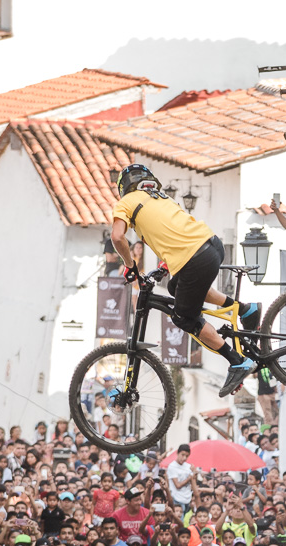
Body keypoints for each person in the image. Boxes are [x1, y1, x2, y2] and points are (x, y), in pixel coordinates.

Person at [110, 163, 259, 397]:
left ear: (123, 187)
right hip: (212, 246)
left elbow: (117, 237)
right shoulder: (162, 199)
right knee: (173, 286)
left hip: (195, 258)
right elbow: (174, 236)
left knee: (183, 316)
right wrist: (163, 268)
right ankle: (245, 310)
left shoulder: (126, 202)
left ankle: (237, 361)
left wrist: (131, 267)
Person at [165, 442, 196, 512]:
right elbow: (177, 485)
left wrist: (194, 474)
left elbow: (193, 484)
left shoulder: (188, 466)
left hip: (188, 499)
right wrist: (190, 477)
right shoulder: (172, 466)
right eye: (182, 455)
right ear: (178, 453)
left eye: (187, 456)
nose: (184, 458)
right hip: (177, 500)